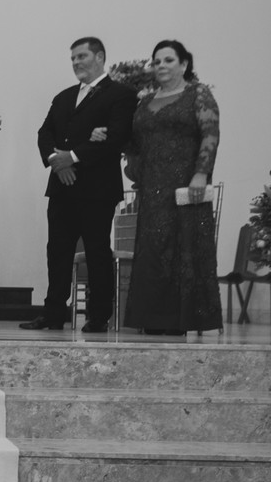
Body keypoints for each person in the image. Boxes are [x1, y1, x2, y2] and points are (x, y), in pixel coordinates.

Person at [22, 37, 137, 333]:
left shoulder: (121, 95)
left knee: (97, 251)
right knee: (57, 251)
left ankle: (98, 316)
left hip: (97, 189)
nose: (76, 62)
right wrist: (56, 161)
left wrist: (71, 157)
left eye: (82, 56)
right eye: (73, 58)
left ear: (99, 57)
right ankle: (53, 313)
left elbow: (116, 138)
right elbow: (44, 133)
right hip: (62, 187)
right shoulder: (64, 97)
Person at [121, 40, 223, 335]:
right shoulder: (145, 102)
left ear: (184, 64)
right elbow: (135, 143)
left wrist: (201, 173)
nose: (161, 66)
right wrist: (111, 138)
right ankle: (153, 320)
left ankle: (181, 321)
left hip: (186, 187)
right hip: (152, 188)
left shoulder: (198, 94)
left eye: (168, 60)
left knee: (183, 249)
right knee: (153, 251)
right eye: (157, 61)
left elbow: (210, 134)